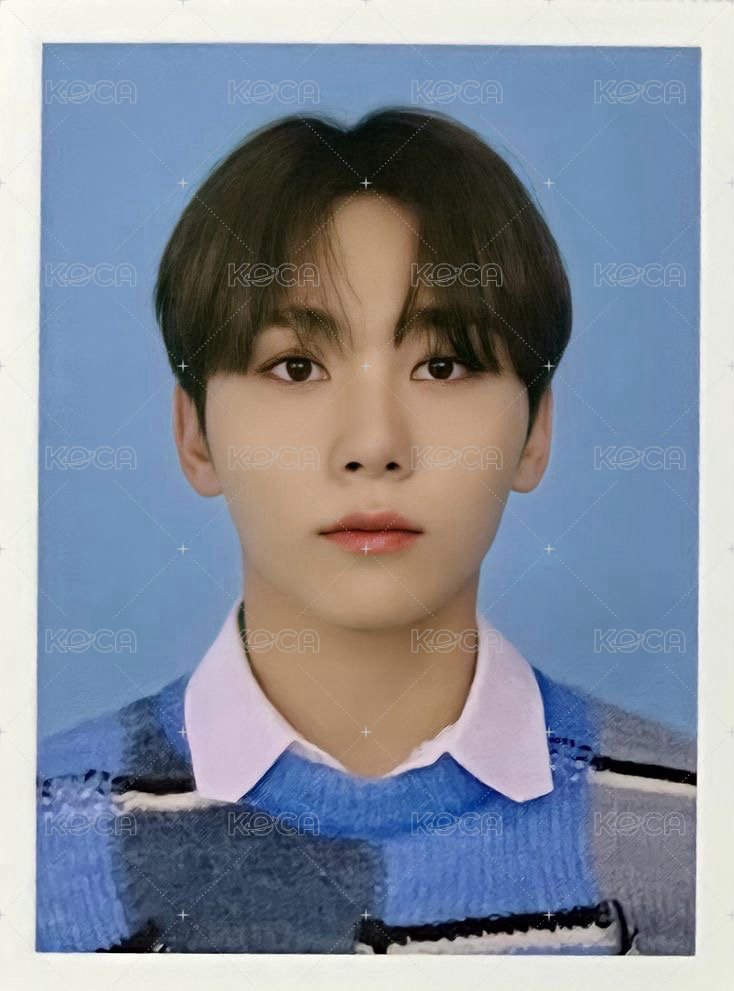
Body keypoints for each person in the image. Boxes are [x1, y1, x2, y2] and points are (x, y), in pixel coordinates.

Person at [37, 108, 695, 954]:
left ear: (536, 430)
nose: (374, 444)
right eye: (296, 366)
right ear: (193, 434)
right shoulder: (38, 834)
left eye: (443, 365)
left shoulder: (691, 827)